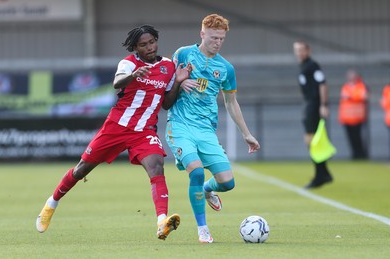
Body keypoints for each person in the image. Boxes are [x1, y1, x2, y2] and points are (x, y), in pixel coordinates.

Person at [36, 25, 192, 240]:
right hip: (116, 127)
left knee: (156, 166)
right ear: (135, 48)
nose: (149, 47)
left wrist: (178, 82)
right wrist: (134, 75)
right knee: (81, 170)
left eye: (152, 42)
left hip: (144, 131)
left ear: (157, 40)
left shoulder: (168, 67)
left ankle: (161, 222)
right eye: (143, 45)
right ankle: (51, 204)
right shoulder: (129, 63)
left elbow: (166, 103)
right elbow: (116, 83)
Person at [165, 14, 260, 243]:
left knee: (228, 182)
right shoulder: (183, 54)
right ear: (202, 34)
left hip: (206, 130)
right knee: (196, 171)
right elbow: (166, 86)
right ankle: (203, 229)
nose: (217, 42)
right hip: (180, 125)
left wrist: (246, 134)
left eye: (221, 38)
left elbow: (231, 102)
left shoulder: (226, 69)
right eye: (213, 37)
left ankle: (208, 189)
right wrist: (180, 81)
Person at [293, 40, 334, 189]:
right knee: (311, 141)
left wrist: (323, 105)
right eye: (296, 50)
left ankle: (320, 175)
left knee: (312, 140)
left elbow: (323, 83)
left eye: (301, 50)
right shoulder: (303, 66)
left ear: (308, 50)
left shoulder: (312, 65)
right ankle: (323, 173)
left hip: (315, 105)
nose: (299, 53)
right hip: (309, 105)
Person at [338, 69, 369, 159]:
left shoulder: (361, 86)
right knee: (351, 138)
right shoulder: (346, 87)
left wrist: (351, 97)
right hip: (347, 118)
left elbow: (363, 96)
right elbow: (344, 98)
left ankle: (361, 155)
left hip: (358, 117)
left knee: (358, 137)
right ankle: (355, 154)